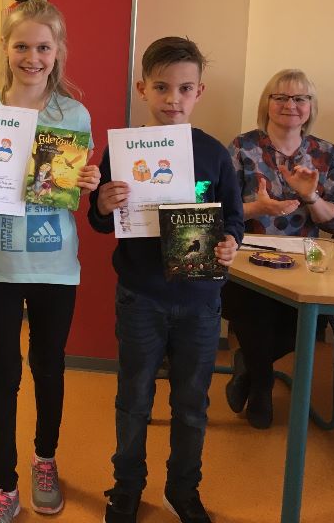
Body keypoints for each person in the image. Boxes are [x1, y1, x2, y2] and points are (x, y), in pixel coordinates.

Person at [0, 0, 100, 523]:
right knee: (2, 373)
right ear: (5, 49)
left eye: (43, 47)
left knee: (48, 367)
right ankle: (3, 485)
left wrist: (90, 180)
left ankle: (44, 460)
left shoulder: (72, 115)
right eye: (22, 46)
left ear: (58, 52)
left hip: (56, 265)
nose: (33, 57)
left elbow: (71, 187)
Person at [88, 37, 243, 523]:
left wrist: (231, 242)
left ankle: (183, 490)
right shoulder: (122, 151)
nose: (173, 98)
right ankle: (127, 486)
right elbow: (100, 221)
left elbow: (234, 217)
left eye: (184, 88)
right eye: (161, 87)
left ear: (199, 92)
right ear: (143, 89)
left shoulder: (214, 154)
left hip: (199, 299)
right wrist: (102, 204)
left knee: (192, 404)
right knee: (133, 398)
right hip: (142, 297)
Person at [222, 69, 334, 429]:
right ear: (267, 103)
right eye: (280, 97)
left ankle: (248, 368)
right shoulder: (242, 147)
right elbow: (221, 211)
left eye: (300, 98)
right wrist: (258, 208)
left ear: (310, 106)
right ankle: (262, 386)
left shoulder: (325, 153)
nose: (290, 105)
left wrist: (310, 197)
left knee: (312, 322)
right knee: (253, 309)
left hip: (303, 259)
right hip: (246, 257)